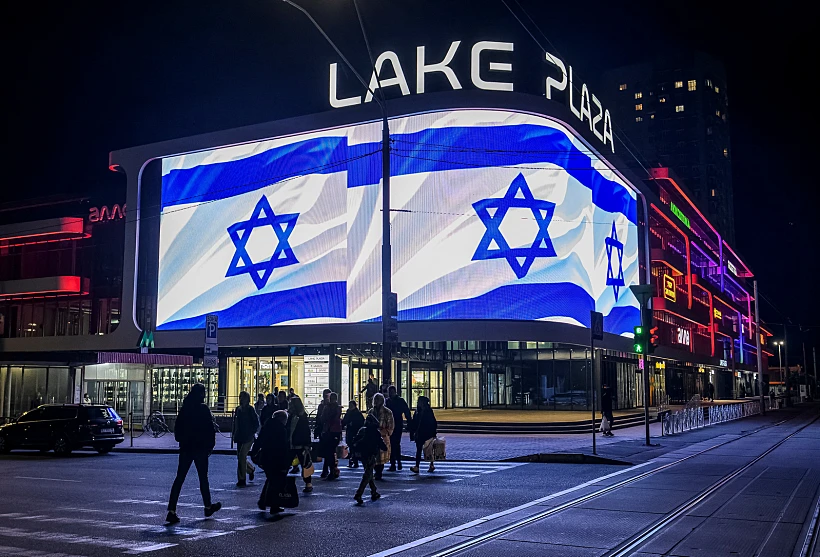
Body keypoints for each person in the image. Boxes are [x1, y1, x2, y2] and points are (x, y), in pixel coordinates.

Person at [165, 383, 221, 524]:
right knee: (203, 478)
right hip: (200, 448)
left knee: (180, 478)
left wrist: (183, 440)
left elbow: (178, 428)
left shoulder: (185, 409)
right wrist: (210, 445)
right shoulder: (203, 409)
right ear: (201, 394)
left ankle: (171, 510)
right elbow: (209, 428)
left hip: (186, 447)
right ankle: (207, 506)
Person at [251, 410, 291, 514]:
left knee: (270, 479)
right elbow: (283, 447)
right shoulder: (282, 430)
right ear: (282, 419)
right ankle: (274, 505)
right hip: (276, 459)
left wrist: (254, 452)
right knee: (276, 482)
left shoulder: (267, 426)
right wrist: (287, 462)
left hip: (266, 457)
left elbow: (259, 440)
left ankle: (263, 501)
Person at [351, 414, 387, 505]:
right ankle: (359, 494)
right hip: (371, 455)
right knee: (367, 475)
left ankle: (374, 491)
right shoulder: (375, 432)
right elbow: (381, 444)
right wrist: (385, 448)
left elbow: (355, 441)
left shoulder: (362, 430)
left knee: (369, 473)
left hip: (363, 455)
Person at [287, 397, 314, 492]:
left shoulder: (302, 417)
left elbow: (306, 431)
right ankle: (282, 483)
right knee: (285, 463)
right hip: (290, 443)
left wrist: (307, 444)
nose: (289, 406)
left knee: (304, 462)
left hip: (299, 444)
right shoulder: (290, 416)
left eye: (291, 404)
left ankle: (308, 483)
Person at [232, 391, 259, 487]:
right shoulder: (238, 409)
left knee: (242, 455)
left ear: (247, 399)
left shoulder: (250, 409)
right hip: (240, 436)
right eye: (240, 397)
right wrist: (234, 434)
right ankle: (250, 469)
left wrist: (252, 432)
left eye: (243, 397)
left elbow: (256, 422)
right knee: (240, 457)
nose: (241, 399)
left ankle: (242, 479)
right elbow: (236, 423)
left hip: (248, 437)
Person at [409, 396, 438, 473]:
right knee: (419, 450)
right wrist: (412, 432)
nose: (418, 403)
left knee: (429, 450)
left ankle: (431, 464)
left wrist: (433, 433)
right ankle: (417, 466)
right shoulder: (418, 411)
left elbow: (433, 422)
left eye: (419, 401)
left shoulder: (428, 411)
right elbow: (415, 422)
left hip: (427, 433)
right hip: (419, 434)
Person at [386, 386, 412, 471]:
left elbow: (407, 412)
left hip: (397, 425)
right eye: (389, 392)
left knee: (395, 444)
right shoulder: (388, 401)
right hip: (391, 425)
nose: (390, 394)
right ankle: (395, 463)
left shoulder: (398, 401)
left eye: (391, 392)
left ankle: (396, 462)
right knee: (393, 444)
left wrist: (409, 423)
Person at [369, 393, 394, 481]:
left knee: (381, 456)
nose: (376, 402)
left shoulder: (387, 412)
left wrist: (386, 432)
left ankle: (379, 472)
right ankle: (376, 471)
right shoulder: (371, 411)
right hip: (372, 436)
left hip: (382, 436)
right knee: (374, 456)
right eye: (375, 400)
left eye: (377, 400)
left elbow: (391, 425)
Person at [320, 392, 343, 480]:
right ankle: (329, 470)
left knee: (329, 451)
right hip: (334, 431)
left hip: (330, 431)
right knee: (330, 451)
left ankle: (331, 470)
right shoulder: (337, 408)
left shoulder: (329, 407)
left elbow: (323, 418)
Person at [342, 400, 365, 468]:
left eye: (351, 405)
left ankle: (354, 461)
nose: (350, 407)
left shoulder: (357, 413)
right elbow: (345, 421)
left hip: (355, 431)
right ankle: (353, 460)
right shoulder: (349, 412)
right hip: (350, 431)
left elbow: (361, 422)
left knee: (353, 447)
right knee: (351, 446)